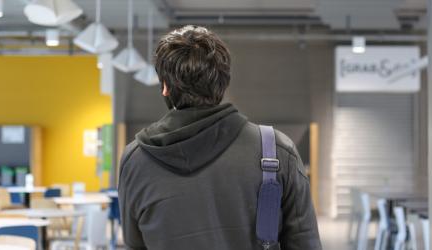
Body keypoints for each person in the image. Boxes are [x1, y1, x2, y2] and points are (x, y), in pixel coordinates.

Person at [118, 25, 321, 250]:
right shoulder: (276, 152)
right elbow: (306, 244)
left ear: (165, 87)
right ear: (223, 84)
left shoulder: (135, 160)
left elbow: (133, 245)